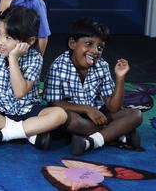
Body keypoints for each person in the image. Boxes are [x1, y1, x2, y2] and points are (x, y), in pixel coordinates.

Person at [0, 6, 67, 150]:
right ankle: (27, 133)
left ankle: (1, 135)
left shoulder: (35, 58)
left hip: (27, 112)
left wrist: (13, 58)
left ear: (29, 41)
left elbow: (19, 92)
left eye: (8, 38)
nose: (0, 41)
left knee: (59, 115)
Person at [44, 17, 142, 155]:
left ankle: (91, 141)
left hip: (99, 115)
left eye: (100, 47)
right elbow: (54, 103)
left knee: (135, 115)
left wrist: (120, 77)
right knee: (71, 121)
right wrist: (86, 109)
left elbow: (113, 107)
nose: (95, 51)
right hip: (75, 115)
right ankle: (117, 133)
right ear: (72, 43)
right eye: (89, 44)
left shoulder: (102, 66)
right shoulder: (58, 66)